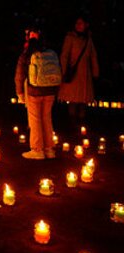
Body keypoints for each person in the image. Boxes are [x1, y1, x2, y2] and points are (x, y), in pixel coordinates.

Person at [15, 29, 61, 160]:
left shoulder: (27, 53)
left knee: (35, 120)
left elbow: (19, 75)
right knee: (46, 119)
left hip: (34, 91)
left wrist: (19, 93)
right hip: (49, 90)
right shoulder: (50, 52)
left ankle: (37, 150)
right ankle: (49, 149)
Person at [58, 16, 99, 129]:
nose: (78, 25)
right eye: (77, 23)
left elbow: (93, 56)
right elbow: (64, 55)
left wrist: (95, 72)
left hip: (85, 74)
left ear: (86, 25)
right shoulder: (70, 38)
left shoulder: (88, 39)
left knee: (83, 100)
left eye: (81, 23)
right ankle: (72, 125)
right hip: (73, 74)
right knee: (73, 100)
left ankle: (81, 124)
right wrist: (64, 71)